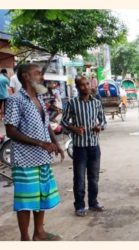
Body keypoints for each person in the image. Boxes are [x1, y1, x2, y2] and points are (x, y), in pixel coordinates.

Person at [4, 63, 64, 241]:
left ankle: (39, 233)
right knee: (25, 201)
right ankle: (25, 238)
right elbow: (10, 131)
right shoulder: (15, 100)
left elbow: (46, 124)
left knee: (42, 196)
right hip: (25, 159)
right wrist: (40, 143)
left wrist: (55, 143)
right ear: (25, 76)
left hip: (42, 158)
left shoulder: (39, 98)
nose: (41, 77)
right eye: (37, 73)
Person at [61, 76, 106, 217]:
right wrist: (74, 129)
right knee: (79, 178)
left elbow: (103, 121)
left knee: (94, 178)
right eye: (82, 85)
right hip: (79, 147)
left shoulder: (97, 103)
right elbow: (63, 121)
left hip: (94, 146)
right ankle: (79, 206)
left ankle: (93, 203)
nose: (86, 87)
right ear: (77, 87)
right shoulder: (72, 103)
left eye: (87, 84)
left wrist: (100, 127)